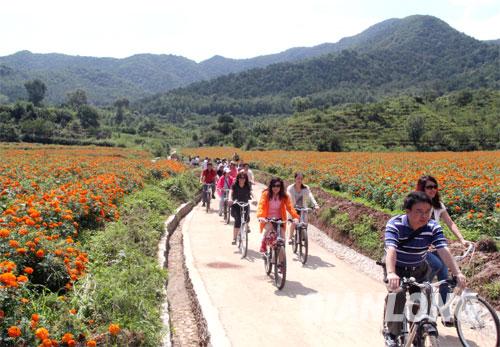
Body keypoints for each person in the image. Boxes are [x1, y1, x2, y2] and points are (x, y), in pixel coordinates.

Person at [382, 191, 466, 347]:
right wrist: (392, 273)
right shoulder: (395, 224)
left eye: (427, 211)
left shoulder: (433, 226)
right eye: (419, 211)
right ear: (407, 211)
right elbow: (391, 249)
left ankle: (419, 332)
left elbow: (443, 249)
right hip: (397, 267)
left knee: (423, 299)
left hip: (419, 268)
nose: (424, 215)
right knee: (397, 295)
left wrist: (457, 272)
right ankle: (392, 334)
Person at [416, 175, 470, 325]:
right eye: (429, 187)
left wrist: (461, 239)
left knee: (444, 277)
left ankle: (444, 312)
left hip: (435, 246)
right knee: (438, 267)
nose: (433, 189)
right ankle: (421, 295)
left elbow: (450, 222)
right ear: (422, 188)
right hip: (420, 246)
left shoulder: (438, 205)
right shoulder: (417, 204)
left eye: (435, 186)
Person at [256, 177, 299, 253]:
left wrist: (295, 217)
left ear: (281, 186)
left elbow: (290, 207)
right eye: (273, 185)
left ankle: (281, 262)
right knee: (269, 229)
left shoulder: (284, 196)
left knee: (282, 240)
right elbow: (261, 206)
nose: (275, 188)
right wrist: (261, 216)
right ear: (271, 186)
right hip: (267, 218)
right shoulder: (266, 194)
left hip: (280, 219)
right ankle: (264, 243)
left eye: (278, 186)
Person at [286, 172, 319, 244]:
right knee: (294, 222)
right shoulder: (290, 188)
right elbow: (288, 197)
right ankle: (290, 238)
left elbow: (310, 195)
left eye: (301, 179)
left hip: (303, 208)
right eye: (298, 178)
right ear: (295, 179)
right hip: (293, 208)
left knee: (305, 222)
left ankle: (303, 234)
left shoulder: (306, 188)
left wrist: (315, 205)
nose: (299, 180)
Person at [229, 172, 252, 245]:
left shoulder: (247, 186)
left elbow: (251, 193)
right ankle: (234, 238)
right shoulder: (234, 185)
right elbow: (231, 192)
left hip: (245, 204)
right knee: (238, 220)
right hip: (236, 204)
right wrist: (230, 199)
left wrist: (255, 199)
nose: (242, 180)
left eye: (243, 178)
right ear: (238, 178)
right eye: (240, 178)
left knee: (247, 218)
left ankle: (246, 226)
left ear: (245, 179)